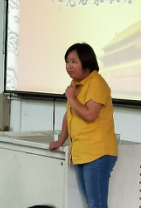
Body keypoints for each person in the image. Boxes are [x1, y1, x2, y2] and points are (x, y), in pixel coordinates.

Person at [49, 43, 118, 208]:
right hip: (82, 152)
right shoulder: (76, 85)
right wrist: (60, 141)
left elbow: (89, 115)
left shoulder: (97, 83)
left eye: (74, 61)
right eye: (67, 62)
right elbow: (69, 115)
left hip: (97, 152)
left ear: (86, 62)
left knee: (97, 203)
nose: (69, 66)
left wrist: (71, 98)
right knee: (91, 202)